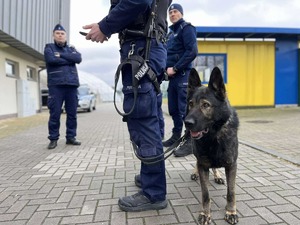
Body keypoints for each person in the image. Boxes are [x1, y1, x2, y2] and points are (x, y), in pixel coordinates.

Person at [82, 0, 172, 212]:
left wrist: (105, 26)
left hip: (142, 47)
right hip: (149, 48)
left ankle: (154, 193)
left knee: (143, 118)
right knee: (151, 115)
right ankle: (151, 175)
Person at [162, 3, 198, 157]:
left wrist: (175, 68)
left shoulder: (186, 29)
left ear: (181, 14)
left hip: (183, 75)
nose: (172, 14)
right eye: (170, 12)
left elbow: (192, 51)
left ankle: (191, 141)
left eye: (175, 12)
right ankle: (177, 136)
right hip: (173, 78)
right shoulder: (170, 33)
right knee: (174, 109)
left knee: (185, 110)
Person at [44, 24, 82, 150]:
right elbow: (51, 60)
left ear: (65, 36)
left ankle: (71, 137)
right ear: (54, 35)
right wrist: (69, 59)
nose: (60, 35)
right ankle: (53, 139)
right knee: (55, 113)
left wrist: (61, 55)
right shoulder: (49, 47)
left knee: (72, 113)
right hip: (56, 85)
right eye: (57, 34)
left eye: (62, 34)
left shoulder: (71, 48)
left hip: (71, 85)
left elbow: (78, 58)